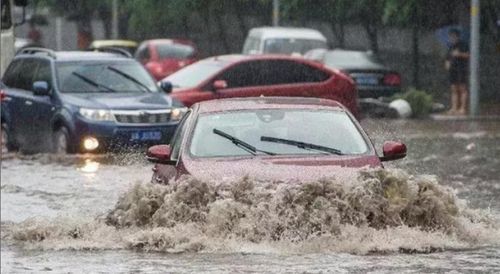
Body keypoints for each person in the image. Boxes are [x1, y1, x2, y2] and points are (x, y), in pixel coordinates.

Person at [445, 28, 470, 115]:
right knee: (454, 89)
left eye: (453, 36)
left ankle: (463, 108)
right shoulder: (450, 46)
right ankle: (454, 107)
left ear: (457, 37)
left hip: (461, 69)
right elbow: (447, 57)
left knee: (462, 88)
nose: (452, 38)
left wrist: (459, 54)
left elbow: (468, 55)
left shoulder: (463, 45)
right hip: (453, 70)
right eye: (450, 37)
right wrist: (447, 63)